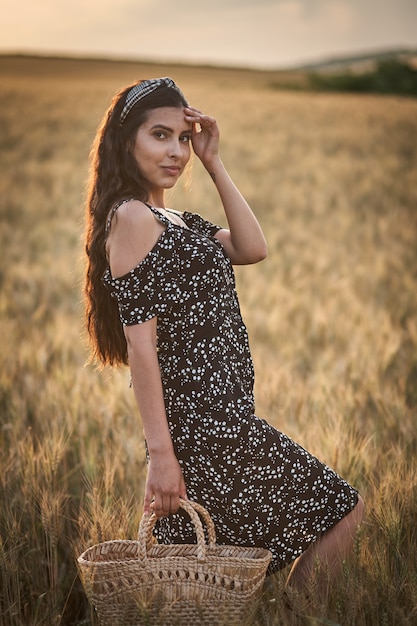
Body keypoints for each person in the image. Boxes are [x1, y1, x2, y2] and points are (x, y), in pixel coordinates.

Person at [84, 77, 364, 600]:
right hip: (205, 433)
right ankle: (299, 614)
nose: (176, 151)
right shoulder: (132, 216)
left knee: (207, 589)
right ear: (127, 143)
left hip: (230, 420)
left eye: (183, 139)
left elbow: (253, 247)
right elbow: (142, 346)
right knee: (342, 508)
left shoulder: (176, 219)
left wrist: (214, 162)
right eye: (160, 135)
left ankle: (291, 612)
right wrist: (161, 457)